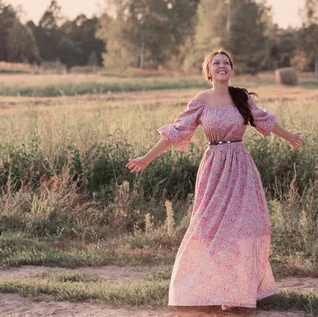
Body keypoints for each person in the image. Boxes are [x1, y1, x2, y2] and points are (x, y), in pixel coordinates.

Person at [126, 49, 302, 311]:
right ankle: (203, 288)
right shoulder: (201, 100)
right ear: (208, 72)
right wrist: (147, 158)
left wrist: (288, 136)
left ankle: (237, 292)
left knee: (245, 227)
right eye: (216, 63)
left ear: (231, 69)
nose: (222, 66)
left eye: (226, 63)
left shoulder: (241, 98)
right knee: (208, 229)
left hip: (241, 167)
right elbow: (176, 131)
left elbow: (263, 119)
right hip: (214, 169)